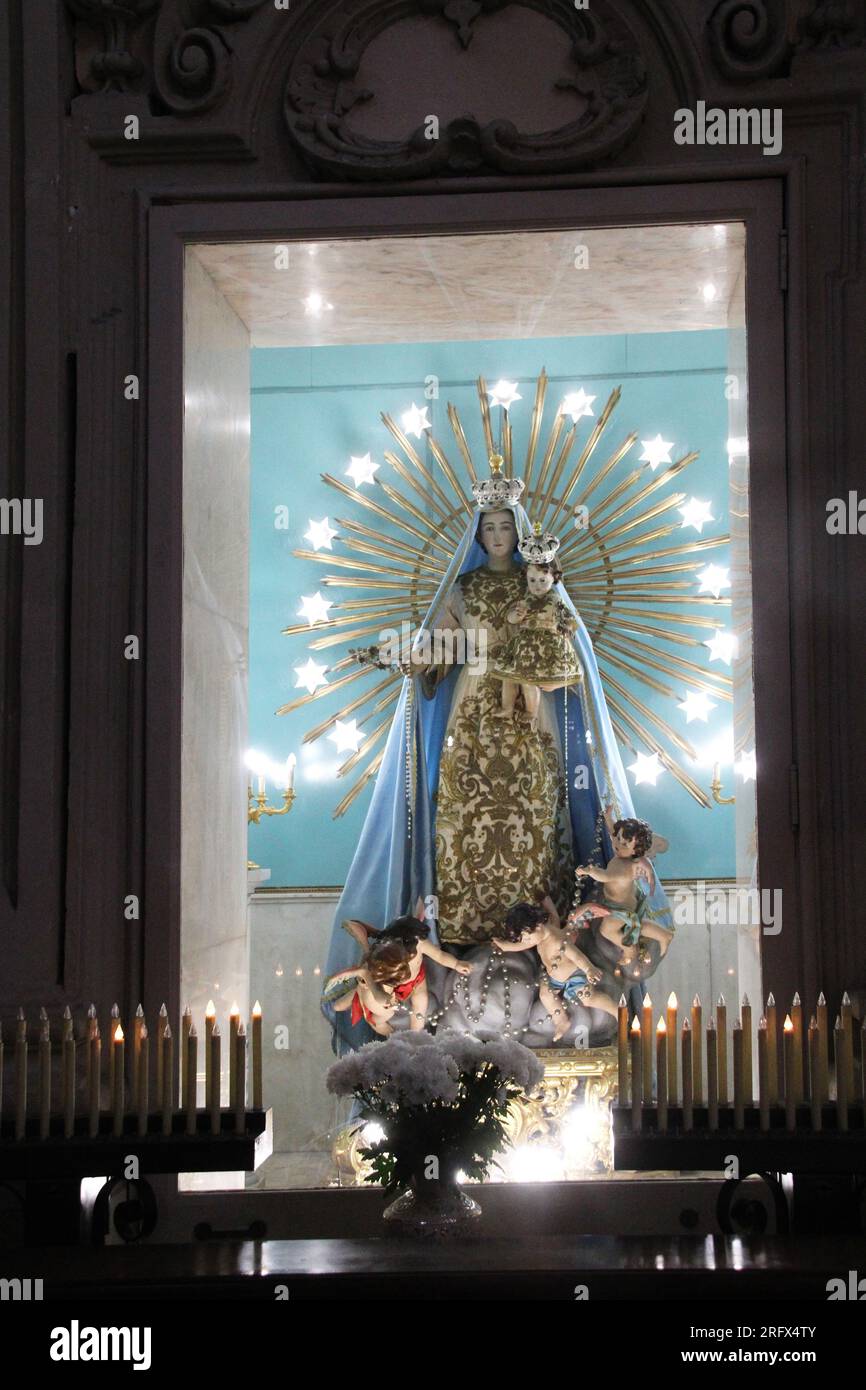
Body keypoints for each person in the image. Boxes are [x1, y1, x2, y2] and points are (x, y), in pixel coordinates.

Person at [493, 894, 617, 1041]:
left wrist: (589, 969)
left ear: (538, 926)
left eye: (527, 937)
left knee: (589, 999)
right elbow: (551, 919)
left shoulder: (558, 940)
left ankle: (616, 1010)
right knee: (545, 994)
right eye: (524, 938)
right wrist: (504, 946)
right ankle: (561, 1021)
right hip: (555, 978)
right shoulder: (541, 934)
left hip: (574, 975)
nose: (526, 941)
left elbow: (576, 956)